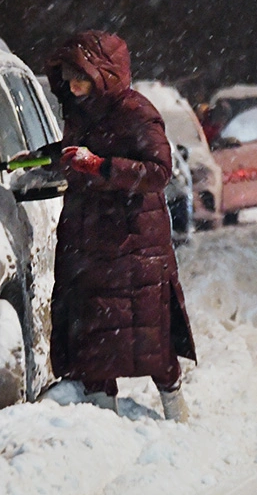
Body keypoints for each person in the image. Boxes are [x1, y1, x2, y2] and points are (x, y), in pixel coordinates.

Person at [41, 30, 196, 422]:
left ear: (103, 75)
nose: (72, 87)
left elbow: (159, 171)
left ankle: (174, 400)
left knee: (149, 331)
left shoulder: (136, 112)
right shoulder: (79, 111)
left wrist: (102, 167)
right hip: (86, 240)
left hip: (133, 242)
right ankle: (102, 418)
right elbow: (75, 155)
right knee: (92, 333)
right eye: (67, 78)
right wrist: (48, 159)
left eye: (80, 78)